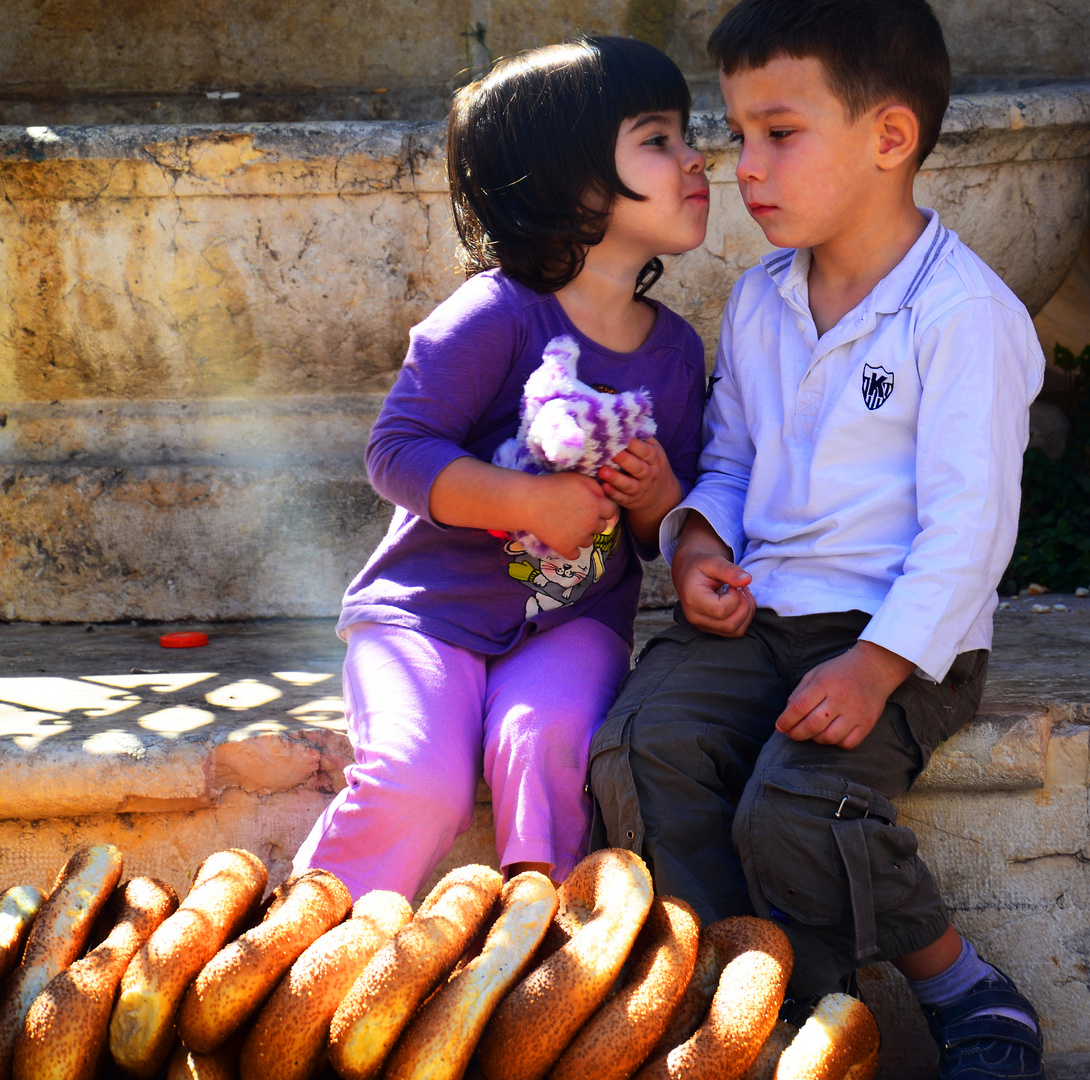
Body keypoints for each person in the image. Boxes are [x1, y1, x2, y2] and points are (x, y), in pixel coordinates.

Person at [588, 2, 1047, 1078]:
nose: (746, 167)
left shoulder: (962, 317)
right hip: (761, 622)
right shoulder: (759, 303)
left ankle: (958, 984)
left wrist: (879, 663)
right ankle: (746, 1009)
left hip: (899, 638)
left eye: (779, 133)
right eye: (738, 134)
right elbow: (735, 465)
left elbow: (970, 525)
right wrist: (698, 547)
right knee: (643, 748)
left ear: (889, 138)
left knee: (796, 807)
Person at [292, 37, 708, 905]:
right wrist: (528, 499)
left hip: (572, 622)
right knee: (418, 782)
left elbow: (666, 524)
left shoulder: (674, 352)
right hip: (425, 616)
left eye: (686, 134)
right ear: (574, 179)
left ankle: (539, 946)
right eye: (658, 139)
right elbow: (396, 452)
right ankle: (310, 942)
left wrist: (656, 498)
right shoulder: (495, 315)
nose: (696, 157)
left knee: (544, 743)